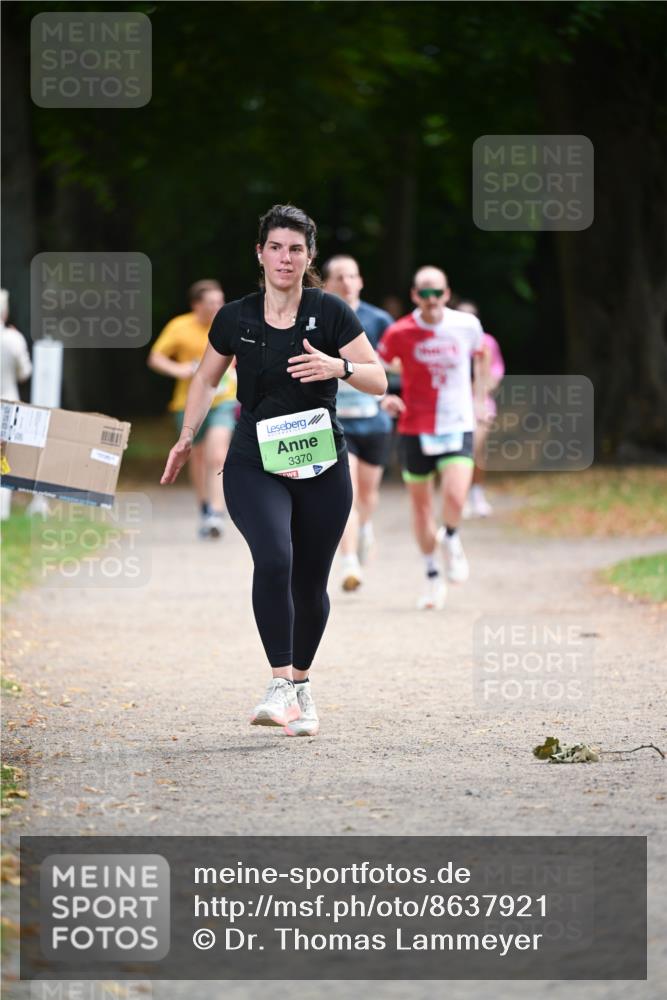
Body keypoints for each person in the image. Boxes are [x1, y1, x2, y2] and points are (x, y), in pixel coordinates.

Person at [160, 205, 387, 736]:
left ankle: (301, 686)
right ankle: (280, 682)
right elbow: (204, 379)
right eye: (276, 247)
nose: (285, 258)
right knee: (274, 556)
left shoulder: (330, 311)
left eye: (296, 249)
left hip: (320, 460)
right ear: (260, 253)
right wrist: (188, 434)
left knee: (310, 583)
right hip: (254, 459)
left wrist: (338, 367)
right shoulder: (235, 317)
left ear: (309, 257)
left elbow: (378, 379)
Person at [378, 267, 486, 610]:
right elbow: (376, 365)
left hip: (457, 422)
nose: (431, 299)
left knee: (455, 496)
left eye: (437, 292)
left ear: (447, 293)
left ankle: (451, 536)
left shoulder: (466, 325)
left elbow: (481, 356)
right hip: (415, 427)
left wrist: (480, 399)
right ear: (414, 296)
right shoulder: (400, 331)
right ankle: (431, 574)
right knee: (422, 506)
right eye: (424, 293)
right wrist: (384, 397)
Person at [322, 255, 394, 591]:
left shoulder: (379, 320)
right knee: (344, 493)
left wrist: (391, 396)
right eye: (339, 277)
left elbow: (396, 364)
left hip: (373, 420)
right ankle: (349, 561)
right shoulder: (316, 320)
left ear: (361, 281)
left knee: (367, 494)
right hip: (335, 422)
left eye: (352, 276)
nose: (347, 283)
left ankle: (365, 527)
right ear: (326, 284)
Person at [148, 280, 237, 539]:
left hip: (224, 400)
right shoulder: (179, 326)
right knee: (196, 457)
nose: (217, 307)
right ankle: (205, 507)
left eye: (220, 301)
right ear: (196, 305)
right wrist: (180, 369)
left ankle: (217, 513)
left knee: (217, 454)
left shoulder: (229, 323)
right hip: (188, 403)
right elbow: (156, 357)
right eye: (211, 303)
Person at [456, 300, 505, 518]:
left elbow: (495, 373)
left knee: (475, 449)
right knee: (459, 452)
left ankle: (476, 493)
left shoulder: (487, 343)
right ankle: (461, 496)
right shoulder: (448, 340)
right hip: (454, 404)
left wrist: (480, 391)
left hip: (480, 403)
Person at [1, 289, 33, 521]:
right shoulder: (13, 339)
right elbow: (25, 373)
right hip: (7, 405)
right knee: (4, 460)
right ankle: (2, 511)